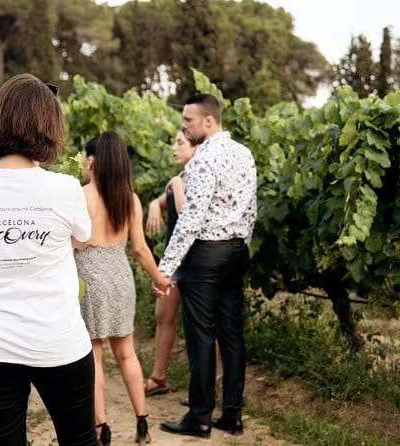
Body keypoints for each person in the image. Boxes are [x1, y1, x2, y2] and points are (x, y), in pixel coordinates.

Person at [0, 73, 97, 446]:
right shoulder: (65, 188)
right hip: (58, 341)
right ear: (50, 126)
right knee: (80, 441)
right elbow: (82, 239)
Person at [157, 94, 258, 438]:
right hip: (237, 251)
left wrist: (165, 269)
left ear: (209, 121)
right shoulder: (244, 153)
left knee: (201, 336)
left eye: (189, 120)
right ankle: (232, 416)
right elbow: (250, 209)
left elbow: (191, 219)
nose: (184, 126)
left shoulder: (203, 159)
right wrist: (240, 244)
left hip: (206, 254)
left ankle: (199, 417)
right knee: (231, 335)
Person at [74, 131, 171, 446]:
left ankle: (100, 429)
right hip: (120, 278)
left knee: (94, 356)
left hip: (89, 279)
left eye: (84, 158)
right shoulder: (130, 199)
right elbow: (140, 250)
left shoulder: (82, 196)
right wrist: (159, 279)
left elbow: (75, 245)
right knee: (126, 352)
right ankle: (142, 423)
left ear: (93, 161)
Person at [143, 131, 196, 397]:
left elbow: (187, 215)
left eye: (180, 143)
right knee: (163, 315)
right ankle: (159, 377)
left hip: (196, 261)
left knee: (201, 324)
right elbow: (164, 201)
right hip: (174, 261)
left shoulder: (195, 178)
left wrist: (175, 183)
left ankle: (209, 386)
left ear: (196, 148)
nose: (174, 148)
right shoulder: (181, 178)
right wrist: (155, 205)